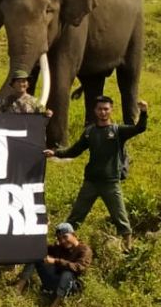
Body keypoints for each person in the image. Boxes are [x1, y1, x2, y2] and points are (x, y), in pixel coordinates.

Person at [45, 96, 149, 250]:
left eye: (106, 109)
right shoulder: (89, 132)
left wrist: (144, 112)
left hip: (111, 182)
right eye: (100, 109)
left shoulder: (118, 131)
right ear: (95, 111)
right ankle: (62, 245)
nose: (103, 112)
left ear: (111, 110)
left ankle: (129, 247)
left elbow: (139, 128)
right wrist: (54, 153)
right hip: (91, 182)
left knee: (120, 216)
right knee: (76, 216)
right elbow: (74, 151)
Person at [13, 222, 91, 307]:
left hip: (70, 287)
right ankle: (18, 289)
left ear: (73, 234)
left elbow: (79, 267)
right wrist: (42, 230)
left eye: (65, 237)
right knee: (37, 255)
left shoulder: (84, 250)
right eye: (60, 239)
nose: (63, 241)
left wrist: (55, 261)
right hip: (54, 281)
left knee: (67, 274)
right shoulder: (60, 247)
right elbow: (40, 248)